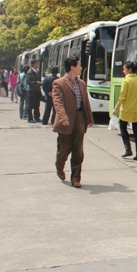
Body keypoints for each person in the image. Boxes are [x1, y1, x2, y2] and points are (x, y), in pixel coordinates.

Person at [52, 56, 94, 188]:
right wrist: (63, 117)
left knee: (78, 150)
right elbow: (58, 102)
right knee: (63, 150)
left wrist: (89, 117)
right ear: (72, 67)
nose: (81, 68)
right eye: (79, 65)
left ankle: (76, 178)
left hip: (79, 118)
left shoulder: (82, 83)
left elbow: (85, 102)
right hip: (66, 120)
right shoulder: (59, 83)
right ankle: (59, 166)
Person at [112, 61, 137, 161]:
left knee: (123, 128)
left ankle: (128, 149)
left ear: (130, 70)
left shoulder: (126, 81)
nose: (123, 71)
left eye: (124, 69)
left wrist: (116, 108)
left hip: (126, 110)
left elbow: (123, 96)